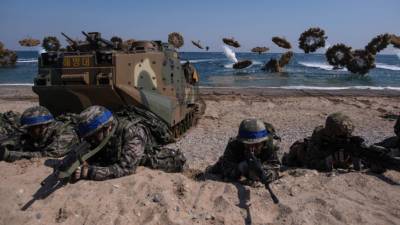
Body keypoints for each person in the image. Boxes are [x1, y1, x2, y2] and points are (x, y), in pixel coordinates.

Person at [71, 105, 185, 181]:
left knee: (150, 161)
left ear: (107, 128)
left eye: (93, 136)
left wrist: (90, 172)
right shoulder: (102, 135)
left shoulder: (133, 132)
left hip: (149, 157)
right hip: (120, 152)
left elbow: (126, 169)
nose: (91, 141)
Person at [207, 118, 281, 185]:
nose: (253, 148)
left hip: (262, 163)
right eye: (248, 145)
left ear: (263, 141)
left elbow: (275, 167)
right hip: (238, 161)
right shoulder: (234, 145)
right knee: (214, 170)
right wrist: (241, 167)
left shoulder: (269, 146)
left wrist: (266, 175)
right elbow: (227, 169)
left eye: (257, 145)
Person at [282, 112, 365, 171]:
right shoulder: (320, 138)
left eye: (346, 135)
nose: (344, 137)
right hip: (308, 151)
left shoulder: (347, 140)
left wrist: (356, 157)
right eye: (340, 136)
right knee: (296, 151)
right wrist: (327, 162)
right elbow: (310, 162)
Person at [0, 106, 77, 162]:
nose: (28, 131)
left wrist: (9, 154)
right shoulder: (39, 132)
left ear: (43, 126)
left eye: (31, 129)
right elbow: (21, 140)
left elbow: (47, 154)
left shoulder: (65, 134)